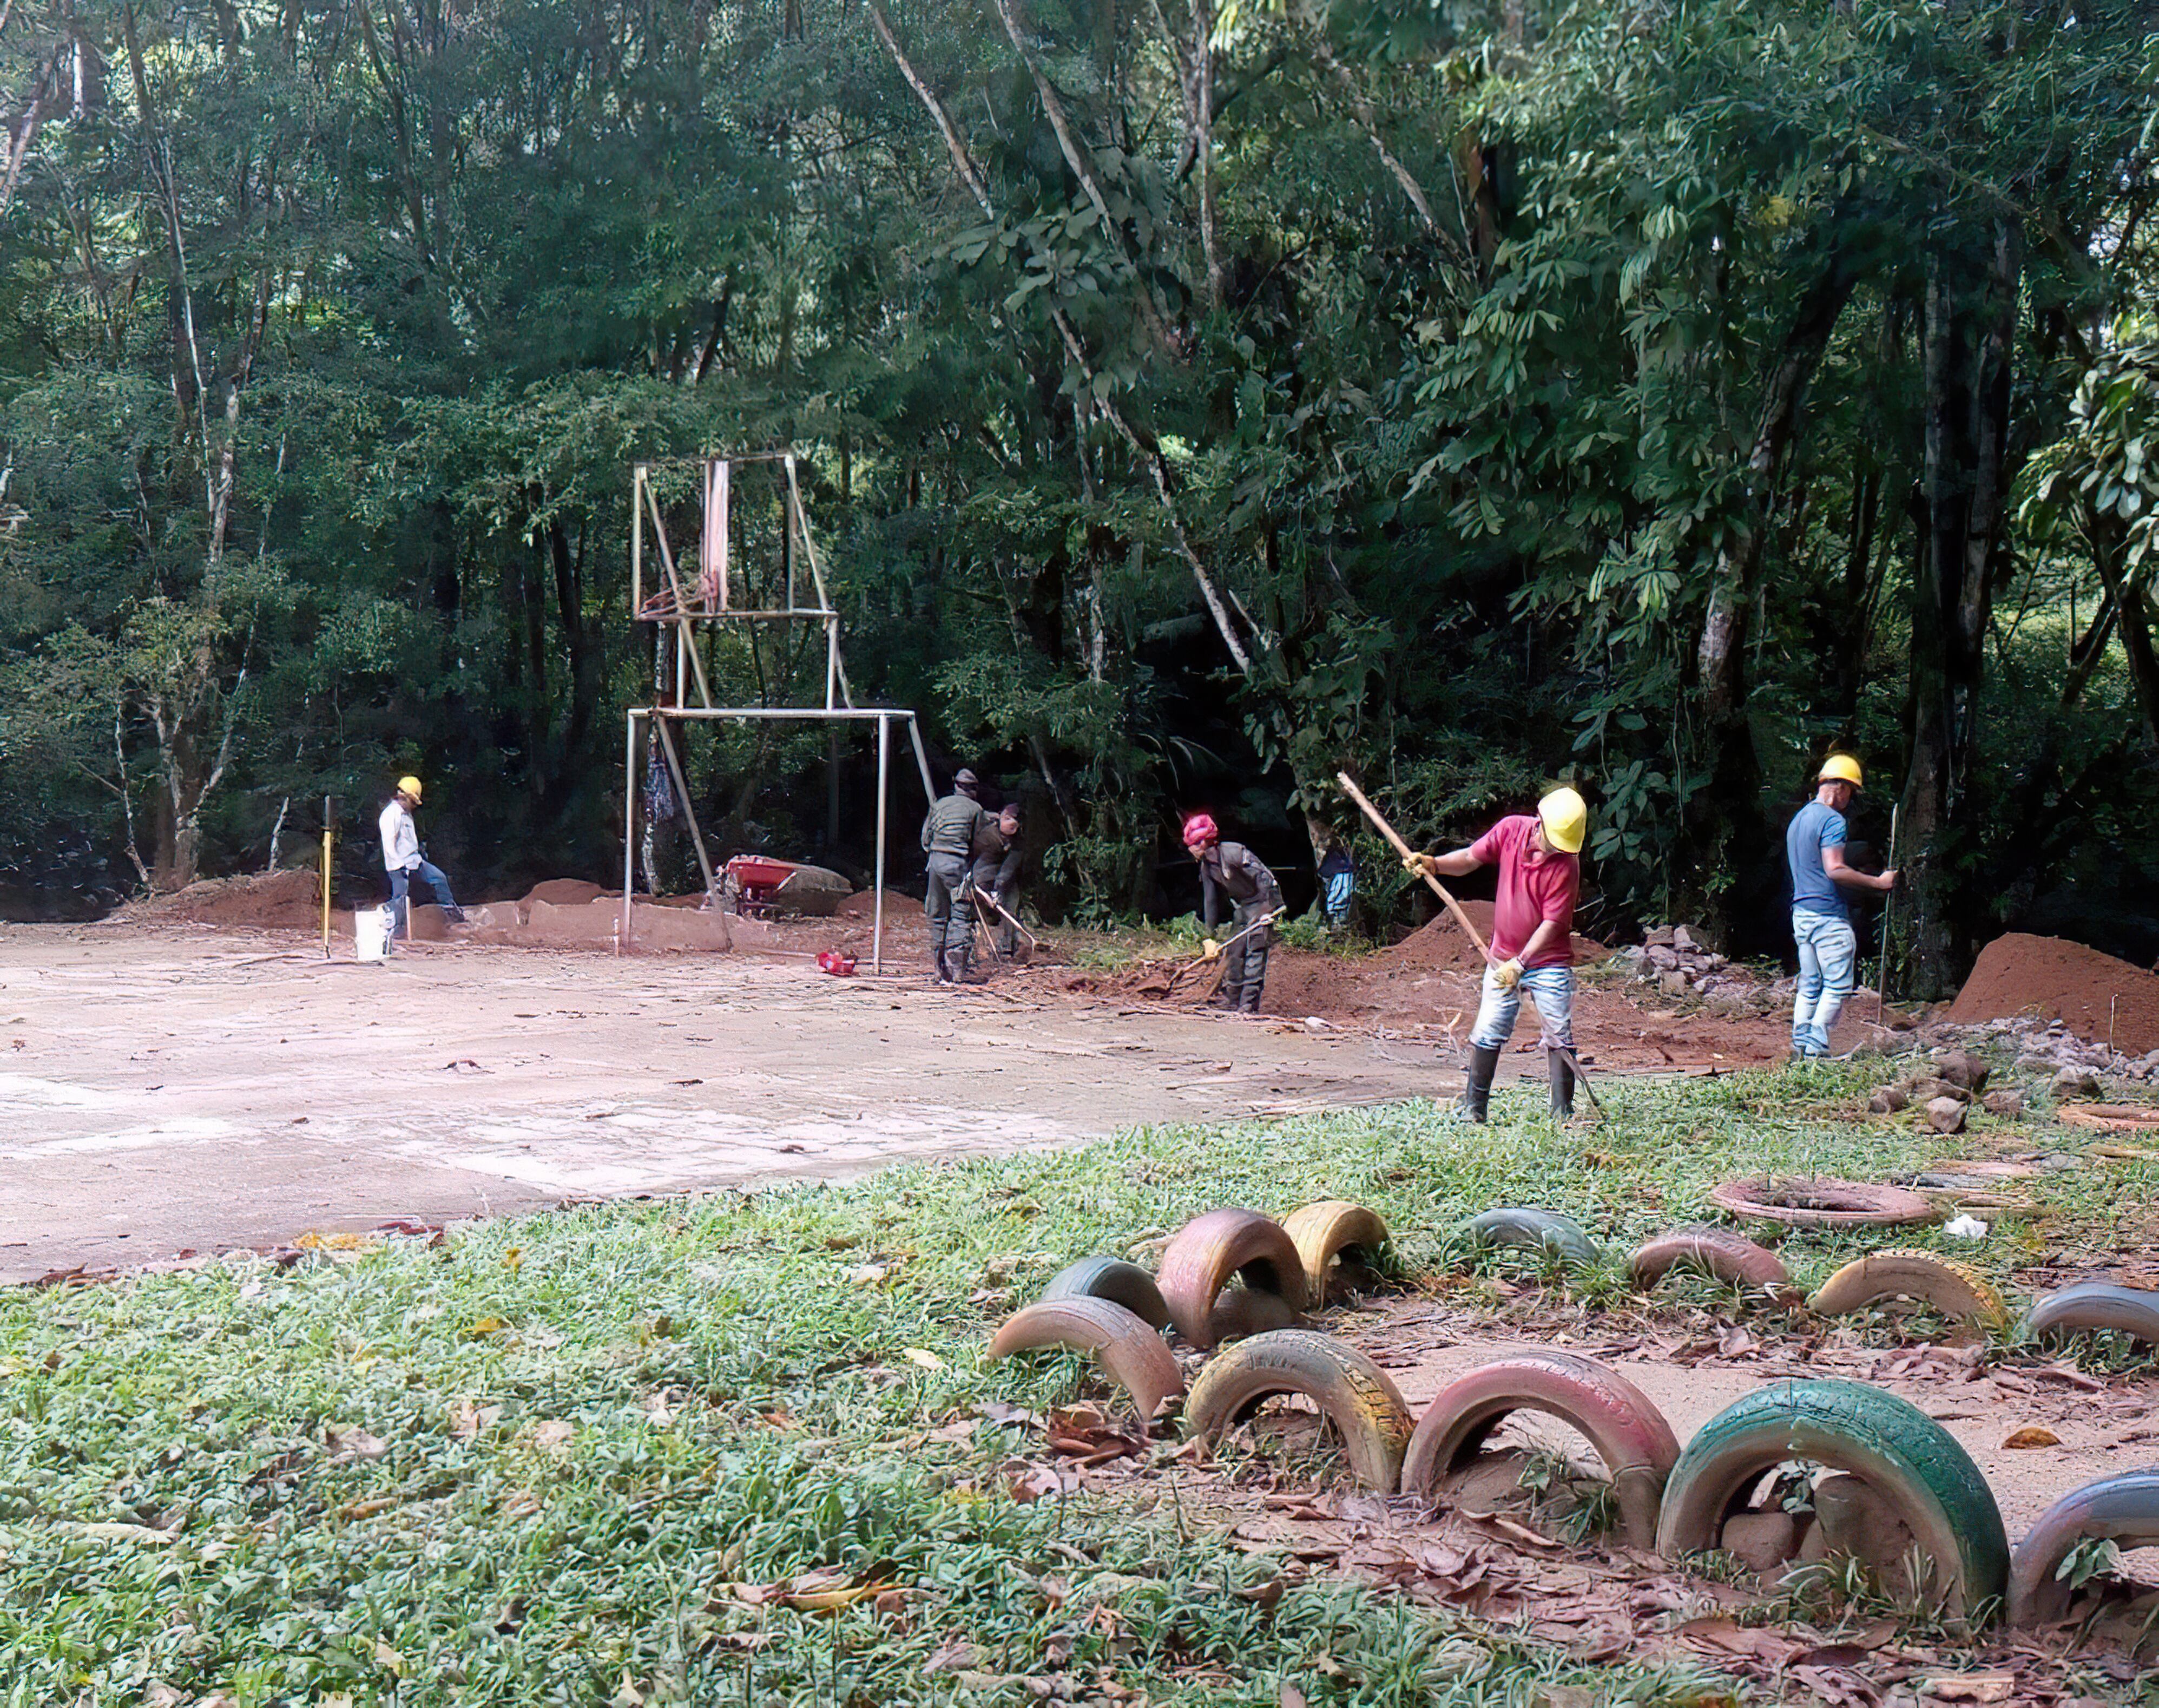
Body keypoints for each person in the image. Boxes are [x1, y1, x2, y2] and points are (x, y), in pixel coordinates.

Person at [1405, 786, 1588, 1124]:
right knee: (1488, 1029)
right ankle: (1474, 1109)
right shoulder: (1511, 830)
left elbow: (1553, 923)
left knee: (1559, 1034)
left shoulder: (1567, 866)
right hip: (1502, 957)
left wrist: (1522, 963)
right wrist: (1434, 864)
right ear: (1540, 822)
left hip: (1549, 963)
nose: (1556, 850)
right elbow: (1470, 858)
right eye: (1553, 842)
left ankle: (1562, 1114)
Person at [1787, 754, 1898, 1059]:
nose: (1850, 800)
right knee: (1837, 985)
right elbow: (1834, 869)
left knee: (1810, 984)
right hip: (1827, 916)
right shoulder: (1832, 820)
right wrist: (1878, 883)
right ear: (1842, 788)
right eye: (1852, 792)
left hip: (1801, 915)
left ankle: (1800, 1047)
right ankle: (1816, 1050)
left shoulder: (1799, 820)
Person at [1183, 813, 1282, 1016]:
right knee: (1235, 952)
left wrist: (1270, 910)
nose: (1190, 849)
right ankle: (1233, 1000)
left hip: (1262, 903)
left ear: (1203, 843)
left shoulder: (1234, 853)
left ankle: (1248, 1006)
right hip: (1243, 907)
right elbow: (1210, 901)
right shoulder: (1207, 867)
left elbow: (1266, 879)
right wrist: (1209, 937)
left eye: (1192, 845)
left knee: (1255, 951)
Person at [378, 775, 466, 940]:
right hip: (399, 866)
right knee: (400, 898)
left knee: (439, 879)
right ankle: (397, 930)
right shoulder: (391, 814)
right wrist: (399, 865)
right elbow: (389, 844)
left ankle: (451, 913)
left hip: (415, 862)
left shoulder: (406, 814)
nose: (414, 806)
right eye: (413, 802)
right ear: (406, 797)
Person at [921, 767, 987, 983]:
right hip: (957, 864)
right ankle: (956, 972)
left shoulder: (938, 805)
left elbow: (925, 839)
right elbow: (979, 842)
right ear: (974, 789)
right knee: (960, 915)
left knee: (937, 914)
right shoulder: (976, 809)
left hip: (935, 862)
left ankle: (937, 969)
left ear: (956, 785)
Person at [970, 803, 1026, 960]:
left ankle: (1006, 948)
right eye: (1008, 819)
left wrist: (999, 887)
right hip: (982, 878)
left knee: (1011, 906)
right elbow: (978, 862)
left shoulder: (1018, 841)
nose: (1012, 826)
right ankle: (972, 947)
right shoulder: (987, 836)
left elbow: (1010, 867)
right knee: (976, 912)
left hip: (1004, 881)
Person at [1319, 837, 1355, 931]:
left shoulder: (1338, 856)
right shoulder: (1334, 856)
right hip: (1337, 877)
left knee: (1340, 896)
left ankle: (1336, 921)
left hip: (1340, 876)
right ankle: (1334, 921)